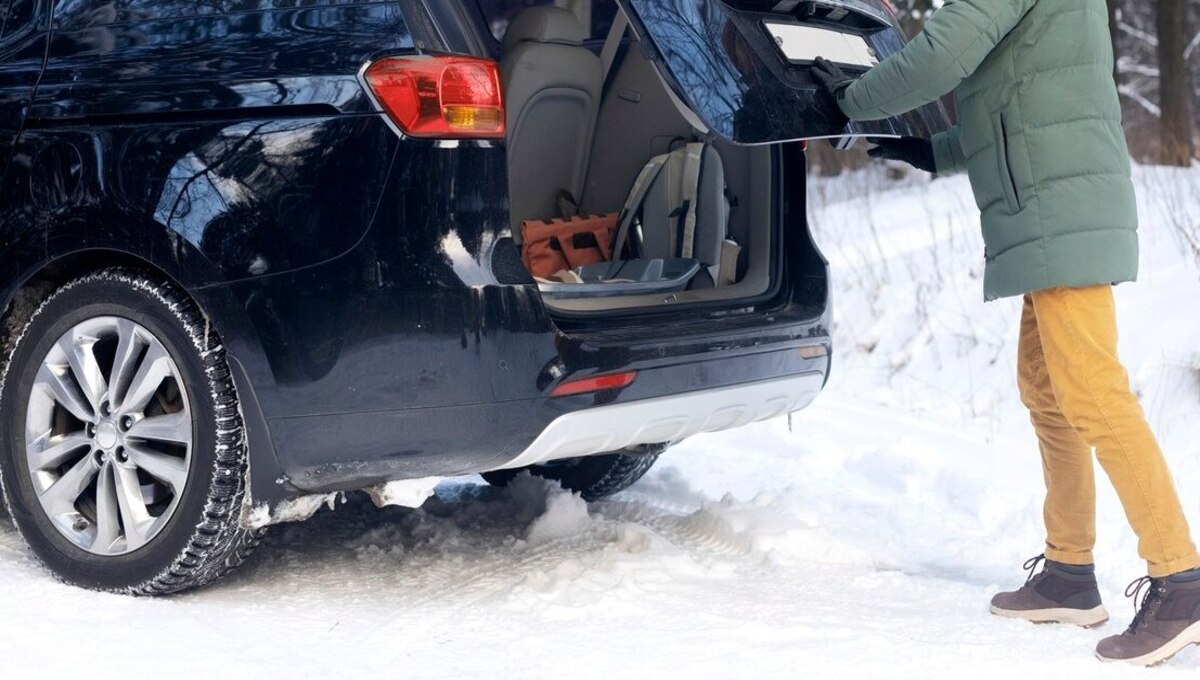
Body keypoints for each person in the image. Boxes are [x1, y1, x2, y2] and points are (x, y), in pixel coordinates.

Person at [810, 0, 1200, 667]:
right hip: (1048, 202)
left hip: (1059, 204)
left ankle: (1181, 581)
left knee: (1093, 393)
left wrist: (845, 102)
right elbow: (1017, 105)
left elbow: (939, 57)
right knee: (1048, 389)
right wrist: (932, 152)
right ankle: (1070, 572)